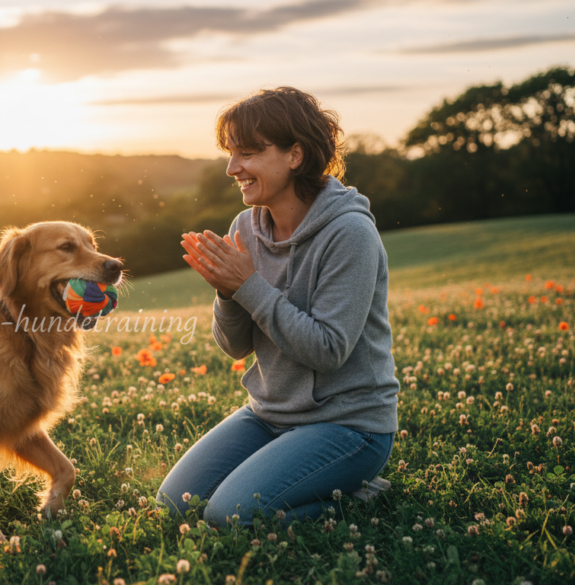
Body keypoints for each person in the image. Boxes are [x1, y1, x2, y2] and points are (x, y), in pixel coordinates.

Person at [156, 87, 398, 526]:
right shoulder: (245, 227)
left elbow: (328, 350)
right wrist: (227, 293)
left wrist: (247, 285)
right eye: (231, 154)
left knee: (229, 519)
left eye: (247, 153)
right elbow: (235, 348)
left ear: (295, 155)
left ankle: (360, 496)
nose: (233, 168)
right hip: (268, 415)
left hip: (348, 426)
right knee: (175, 505)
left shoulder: (350, 234)